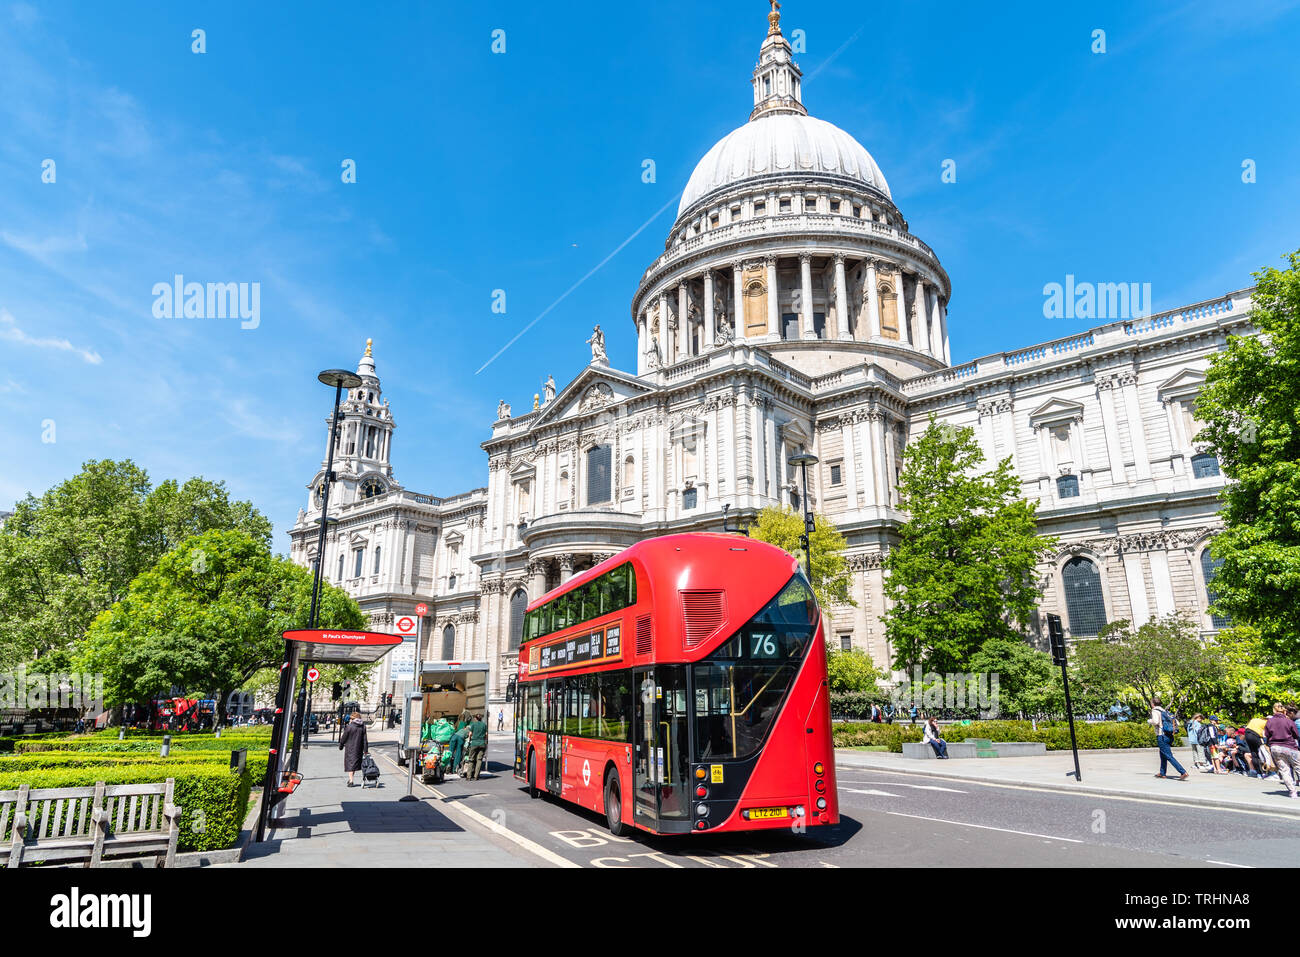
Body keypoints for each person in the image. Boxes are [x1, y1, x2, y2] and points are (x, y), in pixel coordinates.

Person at [1264, 702, 1300, 799]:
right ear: (1284, 711)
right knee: (1298, 767)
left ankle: (1293, 792)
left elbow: (1266, 735)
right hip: (1290, 747)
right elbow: (1296, 735)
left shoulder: (1269, 721)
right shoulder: (1288, 721)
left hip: (1275, 748)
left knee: (1284, 771)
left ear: (1274, 710)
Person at [1149, 696, 1188, 780]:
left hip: (1161, 735)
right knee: (1163, 754)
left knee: (1168, 755)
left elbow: (1155, 721)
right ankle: (1162, 773)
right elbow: (1176, 722)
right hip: (1169, 735)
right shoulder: (1165, 711)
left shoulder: (1155, 711)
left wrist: (1149, 721)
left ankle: (1183, 772)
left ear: (1153, 704)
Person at [338, 710, 369, 787]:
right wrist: (365, 750)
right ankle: (351, 779)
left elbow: (343, 738)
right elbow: (365, 740)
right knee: (354, 764)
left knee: (351, 764)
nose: (350, 720)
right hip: (358, 749)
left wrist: (341, 746)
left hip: (350, 748)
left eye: (351, 718)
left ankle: (351, 780)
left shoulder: (349, 727)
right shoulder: (363, 727)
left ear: (353, 719)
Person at [465, 712, 489, 780]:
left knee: (471, 760)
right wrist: (485, 741)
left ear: (475, 718)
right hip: (482, 743)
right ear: (481, 718)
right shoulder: (484, 725)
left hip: (474, 743)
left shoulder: (473, 725)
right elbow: (486, 734)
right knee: (479, 760)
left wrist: (469, 741)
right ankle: (476, 776)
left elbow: (470, 734)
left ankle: (469, 776)